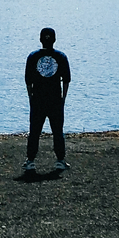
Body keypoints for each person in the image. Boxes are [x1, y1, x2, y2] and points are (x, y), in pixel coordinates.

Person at [23, 27, 71, 173]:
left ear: (40, 39)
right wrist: (63, 97)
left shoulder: (33, 57)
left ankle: (30, 160)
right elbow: (66, 80)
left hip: (37, 99)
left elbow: (27, 80)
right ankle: (60, 160)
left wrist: (30, 96)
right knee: (57, 130)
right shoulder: (61, 57)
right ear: (54, 39)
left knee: (35, 131)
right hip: (55, 99)